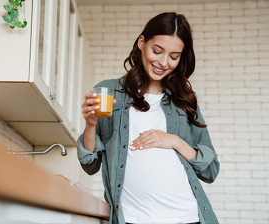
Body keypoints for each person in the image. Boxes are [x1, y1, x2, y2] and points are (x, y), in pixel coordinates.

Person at [77, 12, 220, 224]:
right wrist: (90, 125)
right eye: (157, 51)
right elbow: (90, 165)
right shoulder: (108, 92)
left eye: (174, 56)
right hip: (133, 218)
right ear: (142, 42)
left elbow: (210, 170)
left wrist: (175, 141)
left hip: (187, 217)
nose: (163, 62)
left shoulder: (184, 101)